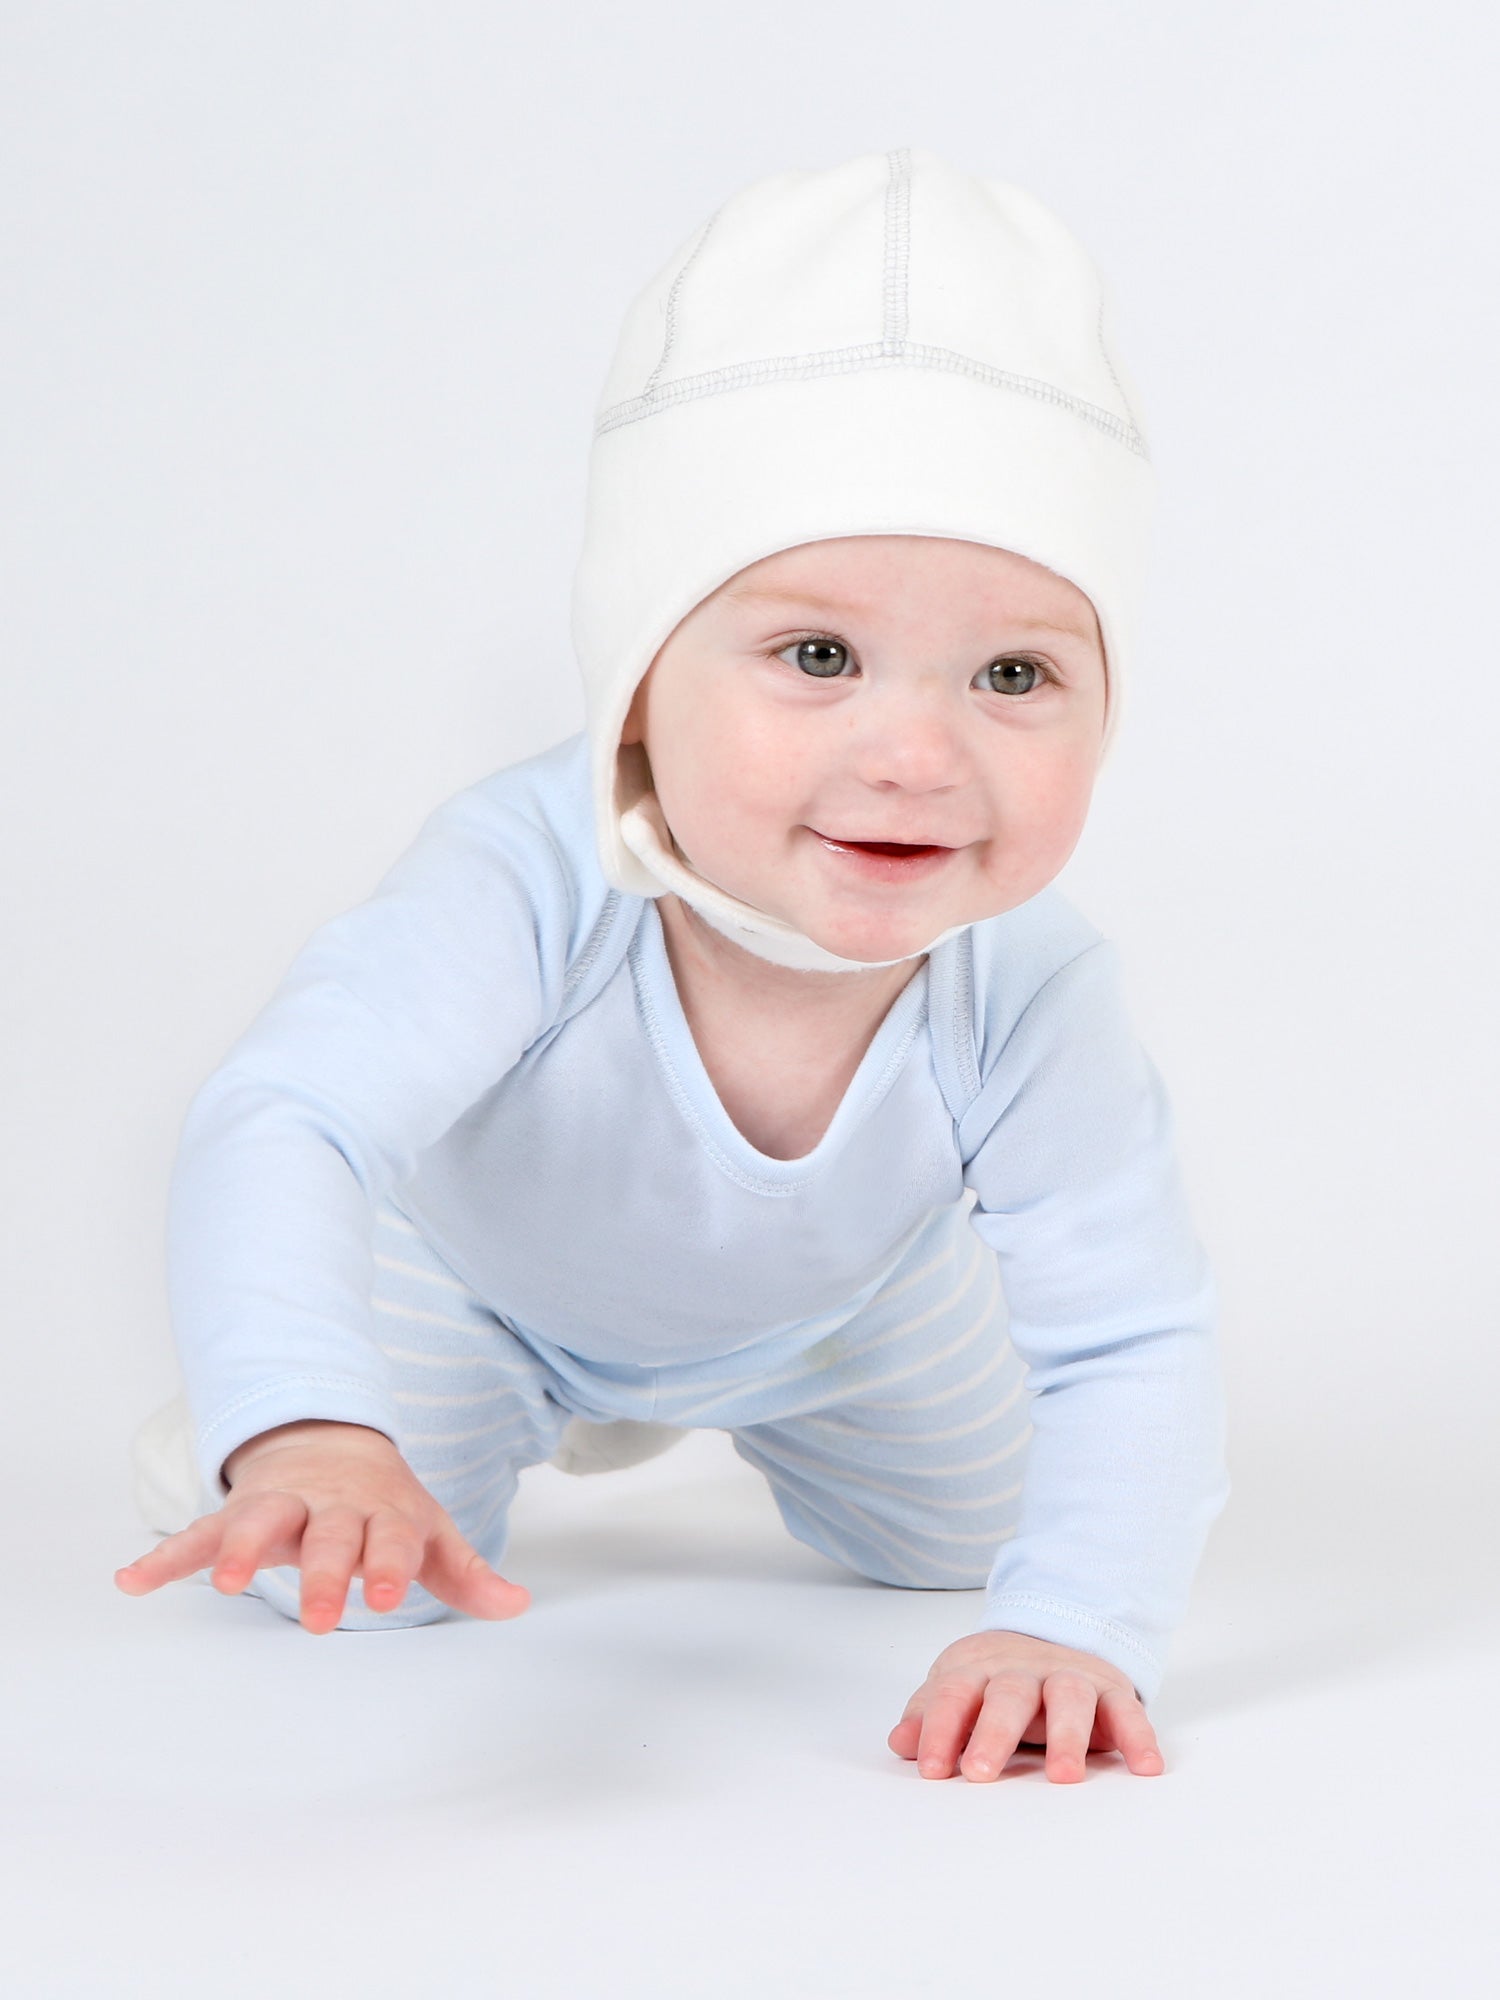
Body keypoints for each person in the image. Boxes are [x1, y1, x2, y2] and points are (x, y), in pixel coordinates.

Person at [115, 145, 1230, 1787]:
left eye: (1014, 672)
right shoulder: (525, 872)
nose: (916, 754)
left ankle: (801, 1428)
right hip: (483, 1291)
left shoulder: (1032, 984)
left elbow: (1132, 1338)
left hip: (851, 1321)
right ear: (637, 678)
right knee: (343, 1580)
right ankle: (255, 1418)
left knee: (975, 1549)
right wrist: (301, 1417)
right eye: (819, 656)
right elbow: (289, 1115)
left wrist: (1076, 1622)